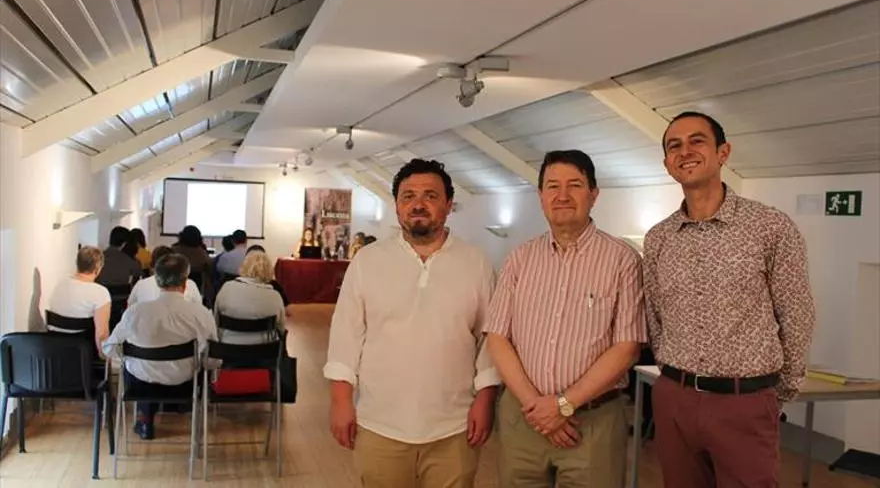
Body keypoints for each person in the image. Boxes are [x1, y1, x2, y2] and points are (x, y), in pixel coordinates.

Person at [643, 111, 816, 487]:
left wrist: (774, 393)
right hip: (675, 401)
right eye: (674, 146)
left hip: (745, 402)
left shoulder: (770, 227)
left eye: (697, 141)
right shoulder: (658, 238)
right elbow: (656, 317)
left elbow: (797, 313)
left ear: (723, 152)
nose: (685, 151)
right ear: (667, 163)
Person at [324, 159, 500, 488]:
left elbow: (490, 340)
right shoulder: (367, 261)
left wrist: (485, 399)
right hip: (379, 425)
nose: (418, 204)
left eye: (430, 196)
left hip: (454, 428)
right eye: (408, 196)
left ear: (448, 204)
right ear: (396, 206)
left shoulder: (476, 263)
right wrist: (341, 401)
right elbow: (346, 335)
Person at [485, 150, 646, 488]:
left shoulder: (623, 260)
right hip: (523, 420)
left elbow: (627, 347)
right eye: (552, 186)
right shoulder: (520, 258)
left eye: (574, 185)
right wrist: (538, 408)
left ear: (594, 194)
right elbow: (497, 337)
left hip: (593, 423)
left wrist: (563, 405)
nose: (562, 195)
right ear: (541, 196)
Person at [102, 253, 217, 440]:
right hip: (184, 383)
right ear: (185, 282)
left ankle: (145, 419)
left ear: (157, 281)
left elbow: (109, 348)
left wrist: (130, 356)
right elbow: (214, 358)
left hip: (140, 384)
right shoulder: (201, 313)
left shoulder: (135, 312)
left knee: (134, 366)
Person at [47, 246, 112, 354]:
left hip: (52, 351)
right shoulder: (101, 293)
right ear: (98, 267)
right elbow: (102, 334)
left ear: (77, 263)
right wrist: (105, 357)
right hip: (81, 354)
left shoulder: (59, 284)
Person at [214, 250, 286, 344]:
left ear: (244, 266)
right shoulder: (275, 296)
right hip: (265, 349)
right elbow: (281, 329)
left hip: (227, 347)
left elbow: (216, 320)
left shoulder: (226, 288)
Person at [128, 246, 202, 306]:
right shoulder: (190, 284)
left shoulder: (141, 285)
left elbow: (130, 307)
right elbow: (199, 307)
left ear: (153, 266)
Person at [172, 225, 213, 302]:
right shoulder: (201, 252)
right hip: (198, 287)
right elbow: (209, 267)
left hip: (176, 284)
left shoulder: (174, 250)